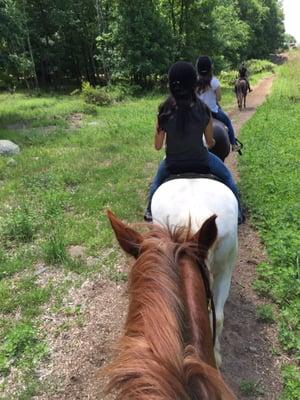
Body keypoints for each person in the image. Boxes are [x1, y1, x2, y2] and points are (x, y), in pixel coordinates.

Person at [144, 61, 245, 224]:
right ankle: (239, 213)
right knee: (227, 177)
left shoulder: (164, 110)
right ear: (194, 83)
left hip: (172, 163)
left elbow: (157, 146)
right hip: (201, 160)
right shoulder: (203, 109)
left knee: (156, 182)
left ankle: (149, 210)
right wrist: (207, 144)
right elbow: (211, 142)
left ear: (171, 83)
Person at [196, 55, 240, 152]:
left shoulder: (194, 81)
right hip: (212, 111)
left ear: (198, 68)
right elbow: (219, 98)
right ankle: (233, 144)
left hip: (197, 112)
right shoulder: (214, 81)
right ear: (210, 67)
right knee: (228, 122)